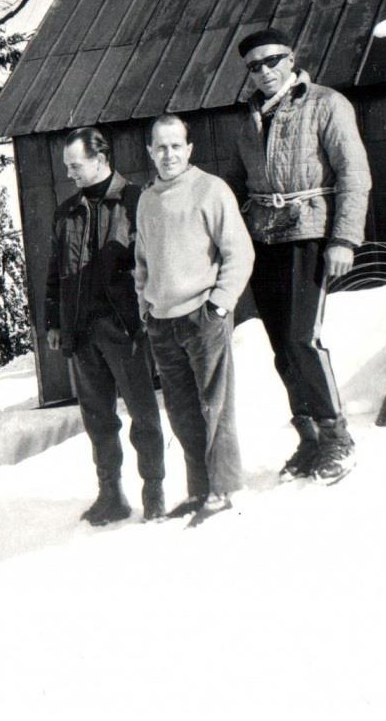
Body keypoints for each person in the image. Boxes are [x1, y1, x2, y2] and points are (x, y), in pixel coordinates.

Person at [232, 28, 372, 485]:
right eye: (255, 66)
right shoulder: (249, 119)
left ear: (291, 59)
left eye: (272, 60)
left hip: (309, 233)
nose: (265, 71)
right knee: (281, 347)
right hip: (264, 240)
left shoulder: (326, 104)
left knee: (301, 339)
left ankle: (337, 438)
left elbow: (354, 174)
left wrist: (343, 239)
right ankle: (309, 438)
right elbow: (239, 184)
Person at [134, 114, 254, 520]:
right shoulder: (147, 200)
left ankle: (223, 489)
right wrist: (146, 308)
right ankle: (199, 489)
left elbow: (239, 252)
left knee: (215, 407)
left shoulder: (210, 189)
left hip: (203, 317)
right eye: (160, 147)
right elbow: (142, 262)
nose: (168, 154)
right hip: (163, 322)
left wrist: (219, 304)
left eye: (175, 146)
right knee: (182, 412)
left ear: (189, 149)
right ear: (150, 152)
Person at [45, 127, 166, 524]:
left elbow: (153, 262)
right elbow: (54, 273)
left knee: (143, 415)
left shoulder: (136, 201)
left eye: (75, 165)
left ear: (100, 160)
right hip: (81, 332)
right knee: (98, 419)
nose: (69, 174)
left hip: (125, 328)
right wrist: (54, 322)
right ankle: (111, 494)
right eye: (67, 166)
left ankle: (154, 491)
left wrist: (146, 313)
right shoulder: (67, 212)